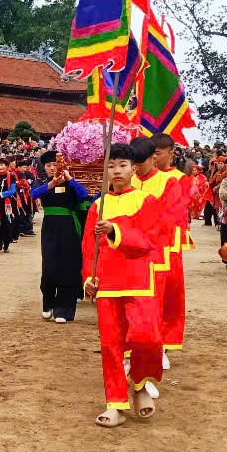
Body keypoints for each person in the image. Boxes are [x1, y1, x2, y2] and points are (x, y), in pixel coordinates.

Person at [82, 140, 165, 427]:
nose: (116, 171)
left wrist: (114, 229)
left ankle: (139, 382)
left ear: (133, 169)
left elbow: (146, 242)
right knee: (110, 345)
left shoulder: (146, 201)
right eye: (111, 166)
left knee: (148, 338)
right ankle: (115, 403)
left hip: (139, 280)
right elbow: (89, 248)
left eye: (122, 165)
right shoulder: (97, 206)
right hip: (107, 283)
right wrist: (88, 278)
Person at [32, 149, 91, 324]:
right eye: (48, 165)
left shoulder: (71, 184)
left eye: (55, 165)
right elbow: (33, 195)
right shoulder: (41, 183)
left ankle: (63, 309)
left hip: (69, 228)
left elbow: (84, 196)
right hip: (50, 228)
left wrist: (69, 179)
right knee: (49, 265)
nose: (52, 168)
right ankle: (48, 301)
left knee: (68, 266)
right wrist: (52, 184)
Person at [151, 134, 191, 360]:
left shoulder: (179, 178)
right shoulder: (139, 177)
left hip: (169, 243)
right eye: (152, 153)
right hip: (144, 242)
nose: (154, 158)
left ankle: (165, 343)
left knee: (169, 294)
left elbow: (176, 212)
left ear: (170, 152)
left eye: (157, 153)